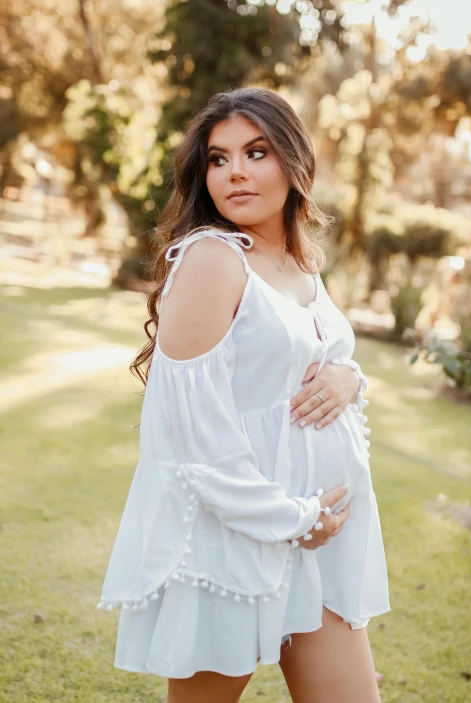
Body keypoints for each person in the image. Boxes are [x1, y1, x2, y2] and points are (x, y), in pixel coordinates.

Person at [97, 88, 390, 703]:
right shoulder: (211, 259)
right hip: (234, 539)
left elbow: (316, 363)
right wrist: (294, 519)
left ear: (293, 161)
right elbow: (190, 441)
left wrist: (351, 377)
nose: (235, 172)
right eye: (218, 158)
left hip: (319, 544)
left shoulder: (300, 263)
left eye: (256, 152)